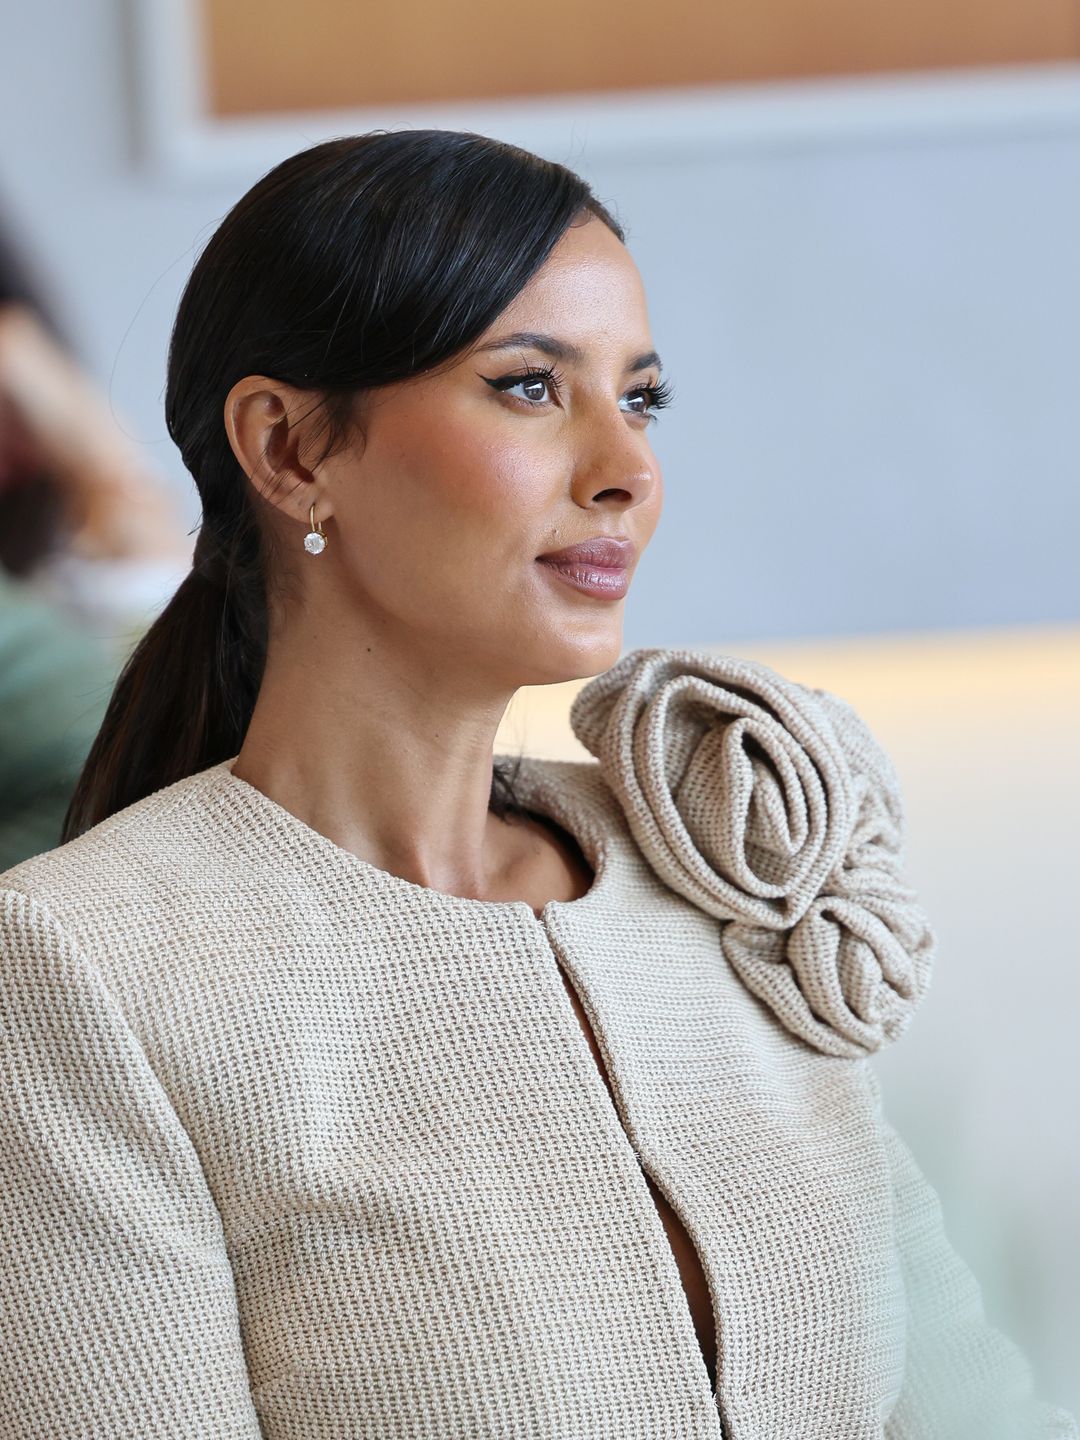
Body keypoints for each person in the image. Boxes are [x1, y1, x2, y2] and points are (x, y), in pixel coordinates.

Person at [0, 129, 1073, 1440]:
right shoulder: (82, 966)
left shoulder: (717, 840)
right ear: (289, 453)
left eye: (642, 397)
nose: (626, 468)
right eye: (528, 388)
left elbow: (975, 1405)